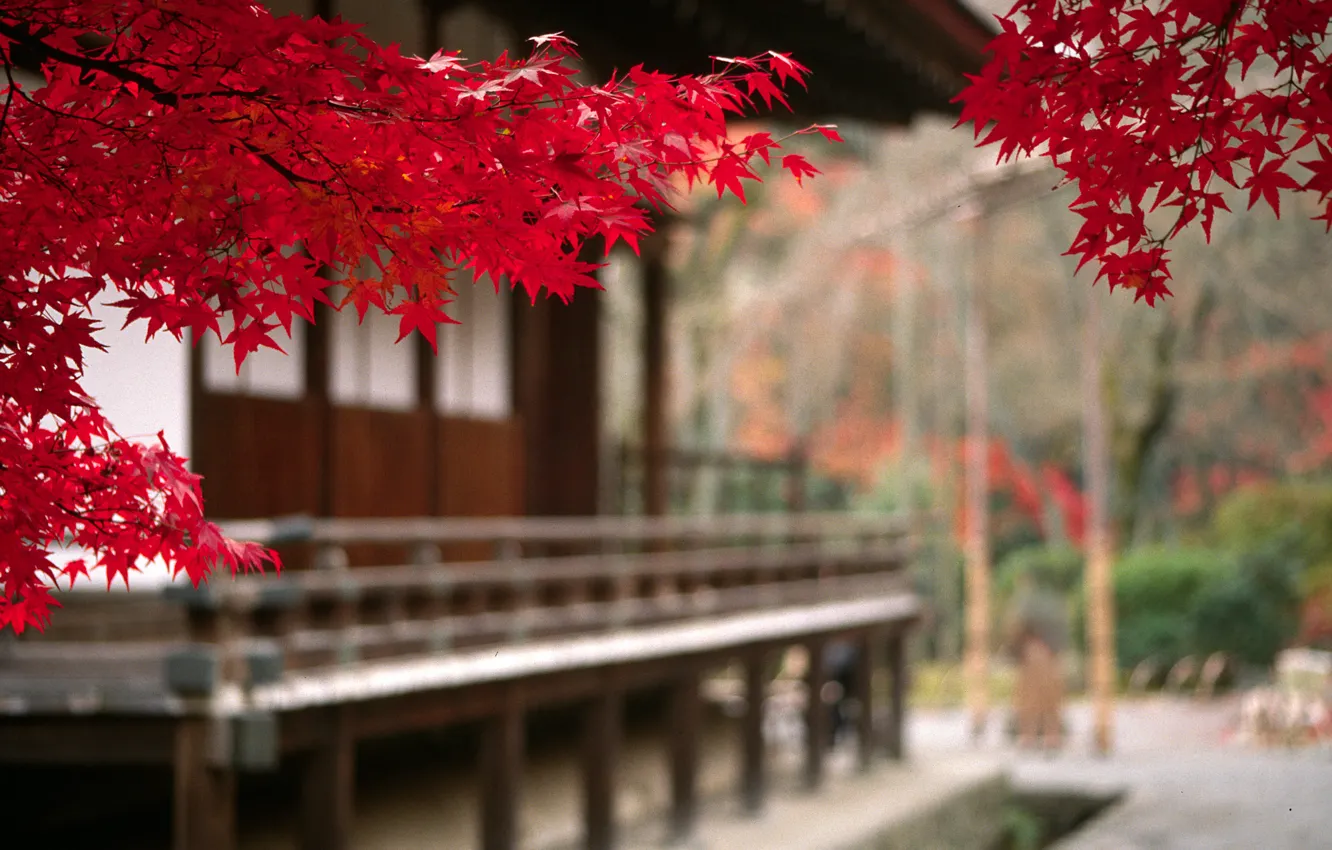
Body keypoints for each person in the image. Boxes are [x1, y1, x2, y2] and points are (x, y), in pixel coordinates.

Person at [1005, 570, 1069, 752]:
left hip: (1036, 651)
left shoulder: (1028, 602)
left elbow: (1016, 626)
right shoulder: (1051, 601)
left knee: (1037, 696)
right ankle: (1042, 736)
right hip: (1043, 652)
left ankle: (1041, 736)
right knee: (1039, 695)